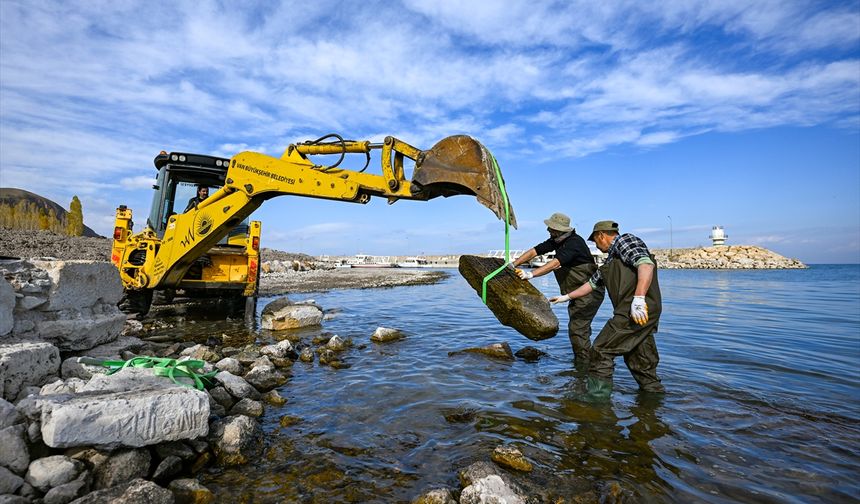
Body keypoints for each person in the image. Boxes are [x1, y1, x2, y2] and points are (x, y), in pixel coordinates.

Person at [549, 220, 665, 401]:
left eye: (595, 241)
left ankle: (596, 402)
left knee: (601, 349)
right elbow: (591, 284)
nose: (596, 246)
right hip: (640, 311)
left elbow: (645, 264)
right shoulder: (610, 260)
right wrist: (567, 297)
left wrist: (639, 298)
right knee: (640, 359)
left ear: (601, 235)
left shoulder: (625, 241)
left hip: (635, 309)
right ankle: (653, 402)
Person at [511, 212, 605, 364]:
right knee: (578, 329)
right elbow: (535, 251)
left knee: (578, 329)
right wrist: (513, 264)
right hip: (576, 293)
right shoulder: (557, 240)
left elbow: (555, 263)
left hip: (590, 293)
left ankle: (585, 365)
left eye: (551, 228)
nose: (548, 230)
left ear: (559, 230)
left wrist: (530, 275)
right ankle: (584, 361)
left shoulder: (574, 243)